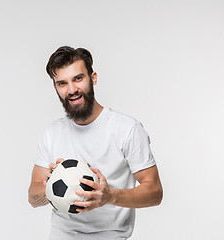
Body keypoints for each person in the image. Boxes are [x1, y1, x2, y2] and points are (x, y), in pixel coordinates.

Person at [28, 46, 163, 240]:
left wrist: (110, 196)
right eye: (62, 83)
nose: (72, 90)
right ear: (56, 88)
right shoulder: (51, 133)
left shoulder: (127, 129)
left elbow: (155, 193)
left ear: (93, 78)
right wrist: (50, 184)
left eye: (78, 78)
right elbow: (33, 198)